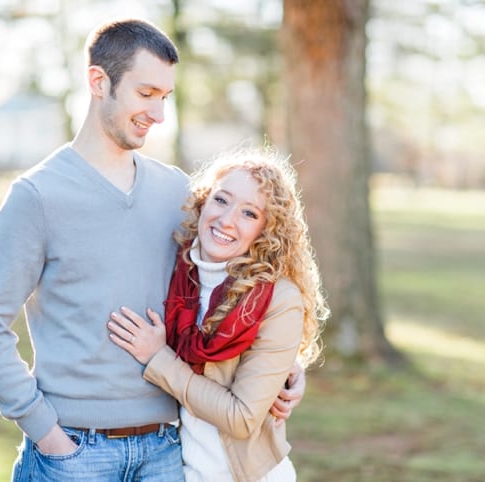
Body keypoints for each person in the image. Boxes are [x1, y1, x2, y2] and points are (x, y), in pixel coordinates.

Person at [0, 19, 304, 482]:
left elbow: (226, 290)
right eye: (146, 94)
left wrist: (285, 368)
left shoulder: (176, 192)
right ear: (98, 82)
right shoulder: (37, 196)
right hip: (73, 451)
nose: (159, 113)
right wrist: (48, 435)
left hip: (167, 451)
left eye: (165, 97)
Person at [108, 148, 329, 482]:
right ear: (202, 201)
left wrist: (159, 358)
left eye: (249, 214)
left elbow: (241, 417)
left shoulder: (277, 299)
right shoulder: (178, 270)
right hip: (174, 470)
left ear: (267, 229)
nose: (227, 220)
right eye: (221, 200)